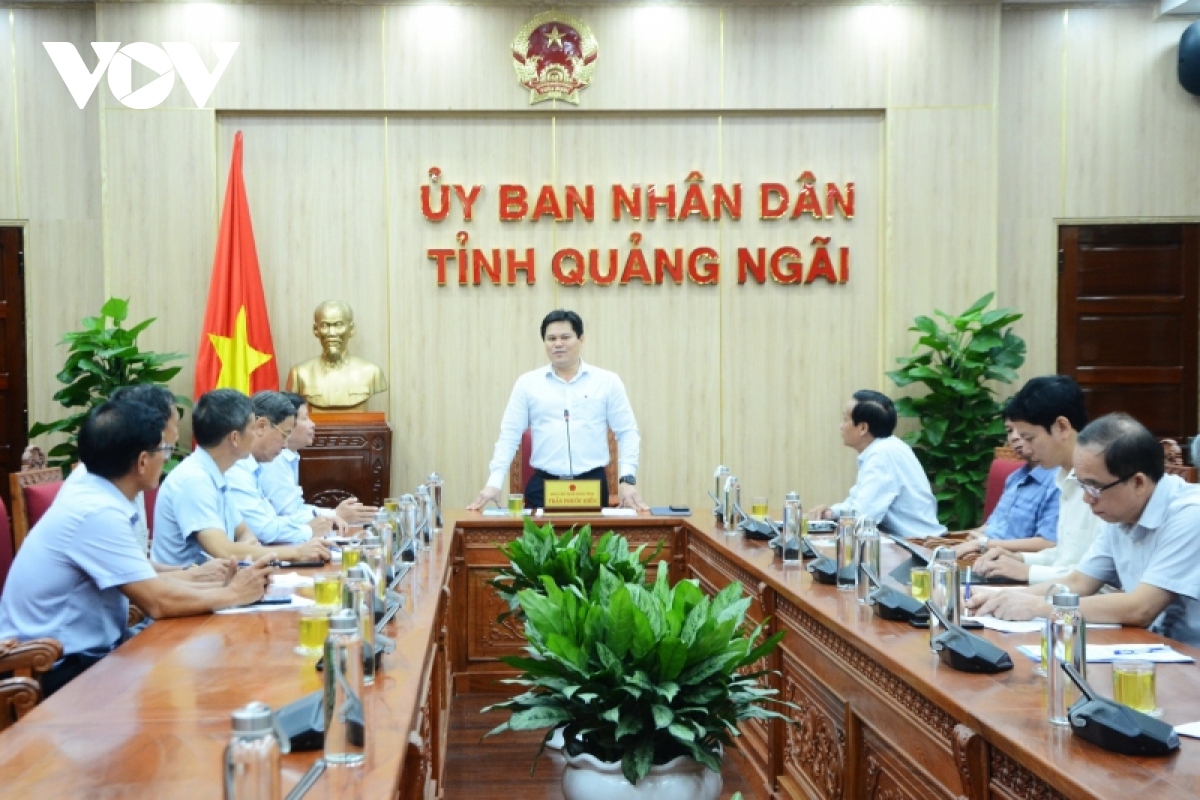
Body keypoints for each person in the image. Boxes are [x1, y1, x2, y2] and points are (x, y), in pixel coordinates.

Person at [0, 398, 275, 695]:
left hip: (89, 653)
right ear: (143, 461)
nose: (167, 459)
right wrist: (233, 594)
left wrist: (209, 581)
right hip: (55, 669)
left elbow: (141, 577)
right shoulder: (96, 512)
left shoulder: (101, 496)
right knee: (208, 678)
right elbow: (157, 601)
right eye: (165, 449)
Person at [968, 414, 1200, 647]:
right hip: (1151, 645)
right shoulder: (1120, 511)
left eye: (1095, 487)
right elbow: (1079, 582)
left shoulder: (1190, 514)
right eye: (1082, 486)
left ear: (1138, 482)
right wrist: (999, 596)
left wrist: (1040, 607)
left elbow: (1141, 608)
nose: (1087, 499)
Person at [467, 309, 647, 511]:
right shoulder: (527, 384)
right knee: (539, 534)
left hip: (591, 486)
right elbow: (509, 435)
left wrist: (627, 479)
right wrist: (494, 482)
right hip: (544, 486)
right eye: (551, 338)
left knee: (590, 534)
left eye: (565, 337)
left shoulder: (607, 382)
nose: (558, 344)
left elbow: (627, 432)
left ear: (581, 339)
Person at [151, 389, 331, 566]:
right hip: (188, 583)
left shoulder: (217, 473)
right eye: (252, 428)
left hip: (220, 580)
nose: (256, 434)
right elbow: (223, 550)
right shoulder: (194, 480)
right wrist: (296, 552)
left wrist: (248, 551)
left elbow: (245, 532)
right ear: (235, 438)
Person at [972, 375, 1098, 583]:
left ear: (1062, 427)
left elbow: (1096, 578)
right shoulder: (1064, 478)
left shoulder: (1101, 484)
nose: (1026, 448)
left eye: (1029, 438)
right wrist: (1018, 559)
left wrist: (1027, 572)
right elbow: (1063, 557)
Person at [810, 390, 945, 538]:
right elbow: (857, 504)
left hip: (916, 545)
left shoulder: (882, 455)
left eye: (845, 419)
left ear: (863, 428)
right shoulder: (884, 448)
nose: (841, 426)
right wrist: (831, 513)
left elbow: (863, 518)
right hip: (906, 542)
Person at [226, 391, 336, 544]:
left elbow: (271, 520)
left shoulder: (253, 467)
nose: (285, 444)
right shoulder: (236, 468)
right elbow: (263, 529)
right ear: (261, 426)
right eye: (284, 434)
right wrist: (309, 530)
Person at [257, 391, 377, 527]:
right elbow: (287, 514)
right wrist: (335, 515)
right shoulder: (272, 459)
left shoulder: (289, 456)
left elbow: (296, 508)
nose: (313, 424)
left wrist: (333, 514)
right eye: (305, 418)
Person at [951, 414, 1060, 559]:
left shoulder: (1058, 480)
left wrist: (983, 544)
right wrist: (966, 539)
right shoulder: (1014, 478)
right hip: (981, 554)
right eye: (1009, 431)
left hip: (1011, 562)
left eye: (1022, 430)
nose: (1014, 437)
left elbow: (1049, 543)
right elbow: (990, 526)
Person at [286, 300, 387, 410]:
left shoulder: (372, 372)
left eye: (338, 325)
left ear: (351, 329)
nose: (332, 333)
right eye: (325, 325)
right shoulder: (299, 373)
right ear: (315, 330)